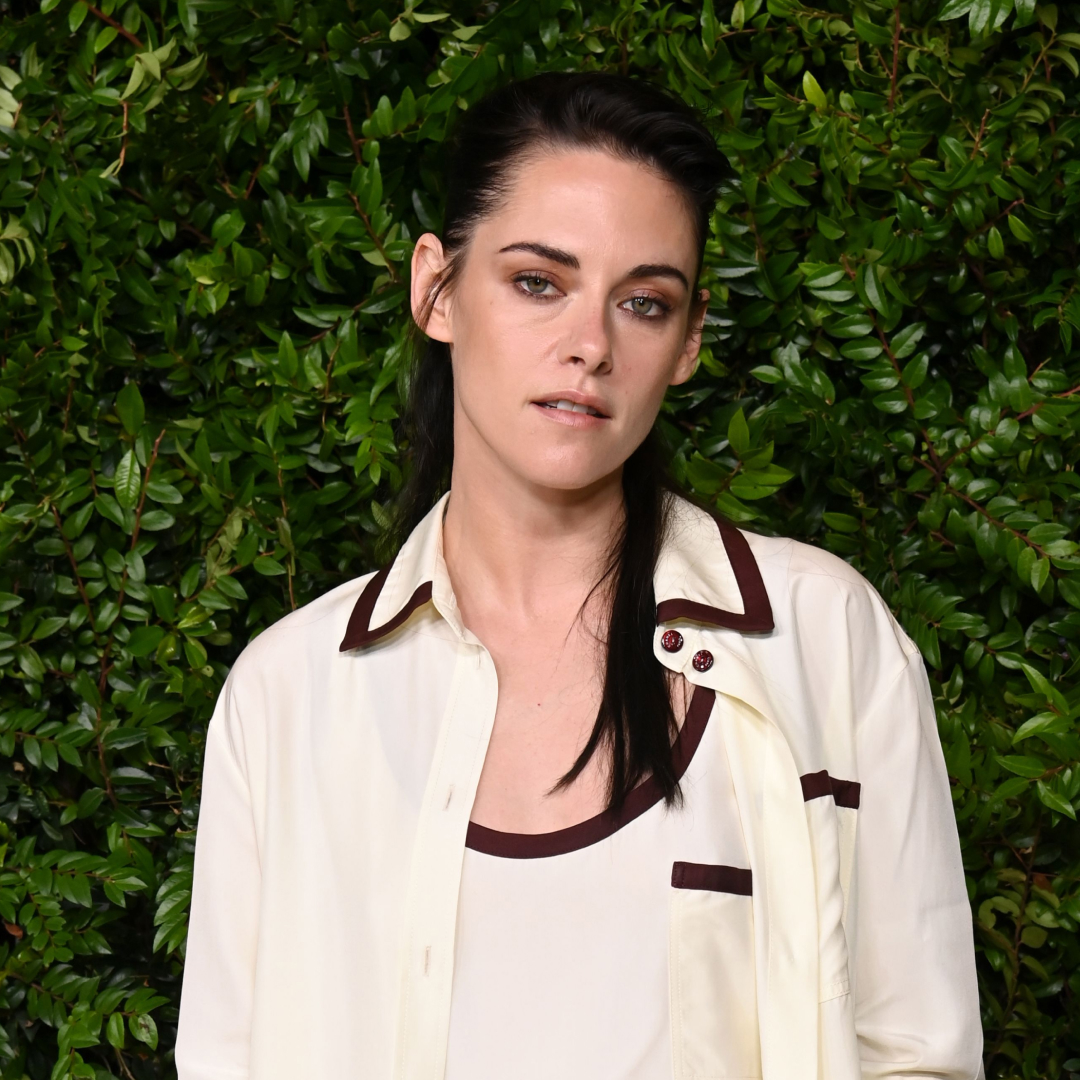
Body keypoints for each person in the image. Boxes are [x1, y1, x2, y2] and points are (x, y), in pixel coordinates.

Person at [174, 72, 983, 1080]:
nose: (590, 346)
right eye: (537, 282)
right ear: (436, 289)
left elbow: (924, 1056)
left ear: (686, 343)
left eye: (643, 303)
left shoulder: (822, 642)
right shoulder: (288, 696)